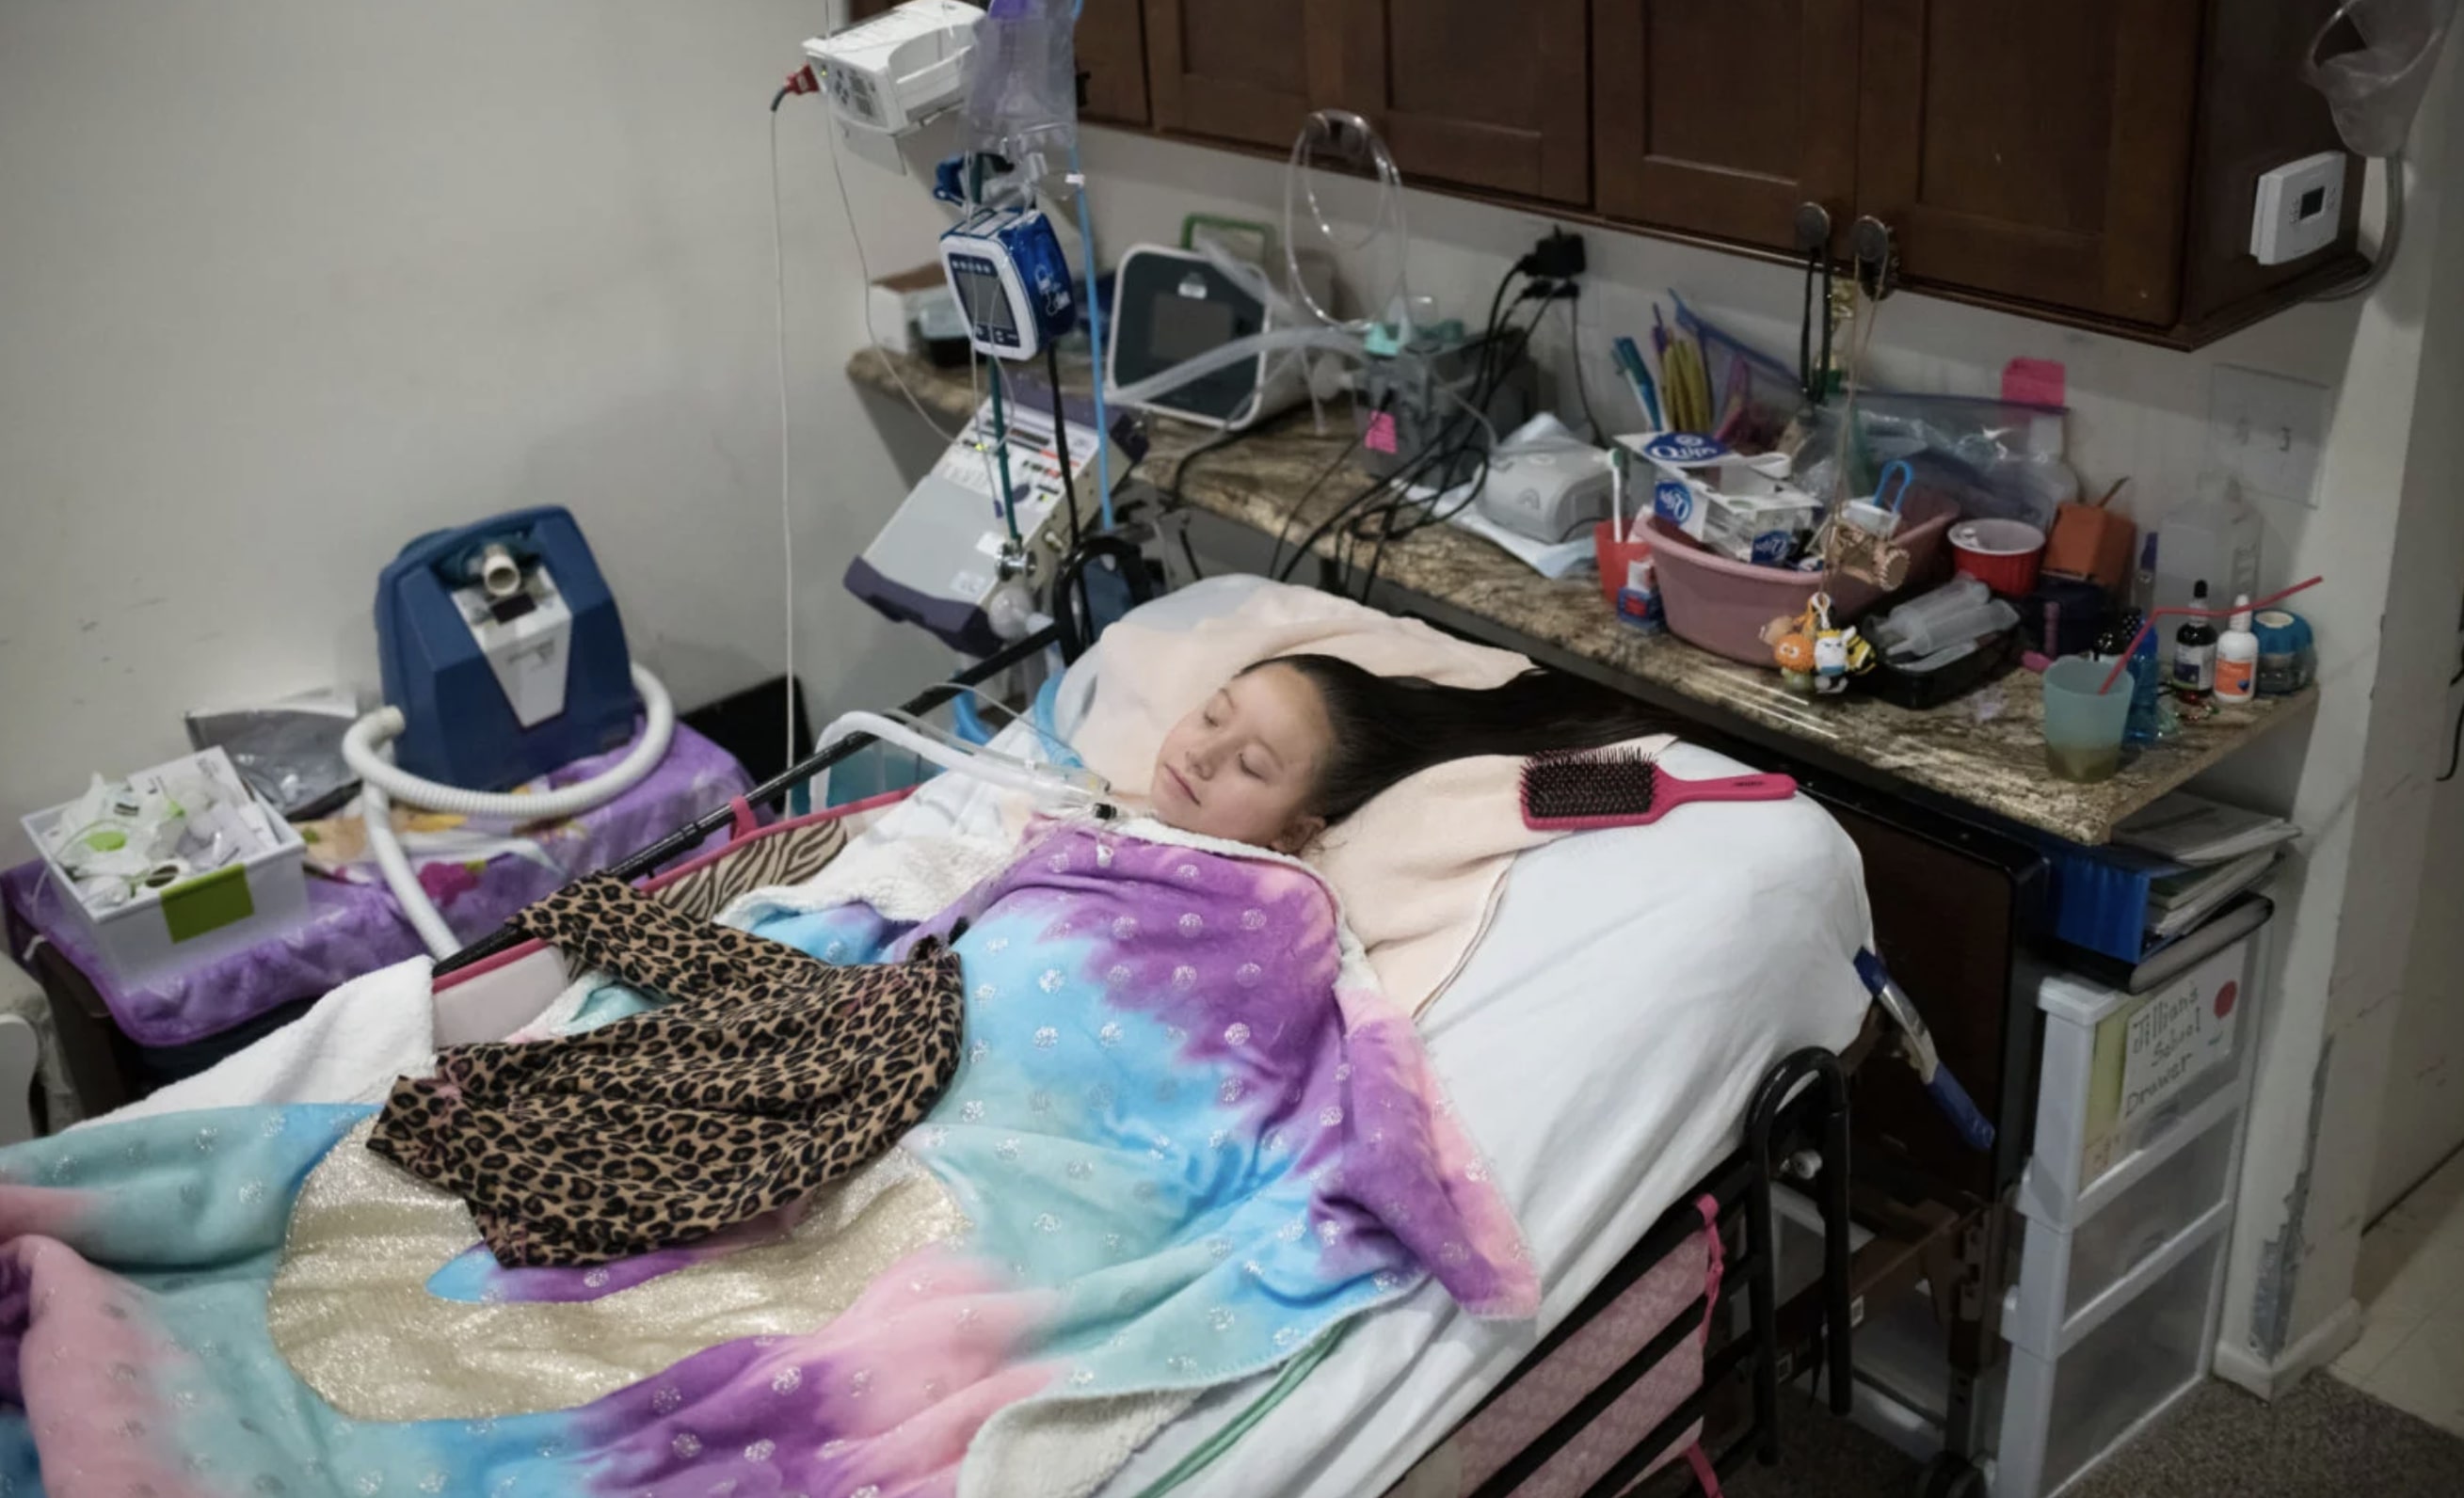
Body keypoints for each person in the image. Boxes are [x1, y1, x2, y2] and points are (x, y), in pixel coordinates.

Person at [1146, 654, 1672, 853]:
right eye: (1213, 716)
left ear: (1295, 832)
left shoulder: (1264, 918)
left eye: (1251, 766)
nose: (1201, 755)